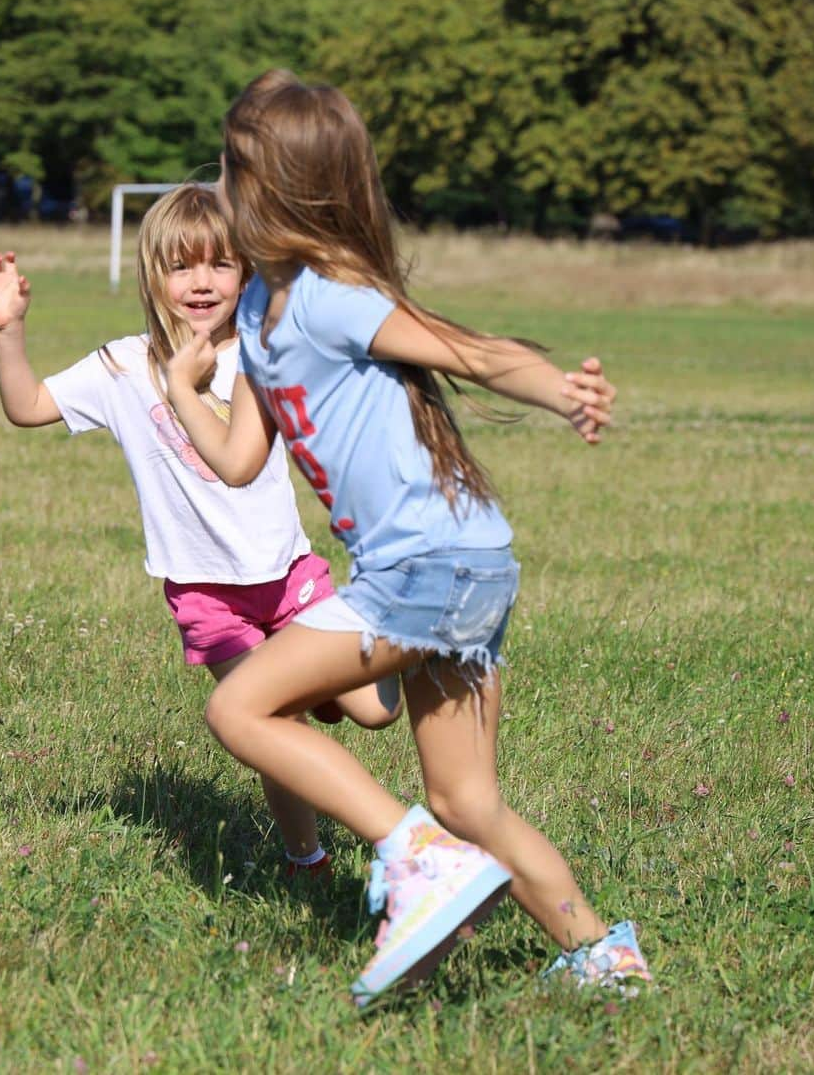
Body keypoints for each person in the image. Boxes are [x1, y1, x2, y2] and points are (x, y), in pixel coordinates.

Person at [165, 70, 652, 1006]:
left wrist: (560, 389)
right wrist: (186, 390)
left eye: (231, 167)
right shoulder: (261, 312)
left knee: (239, 710)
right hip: (460, 567)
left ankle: (414, 858)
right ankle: (604, 961)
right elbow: (237, 459)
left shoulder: (328, 295)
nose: (219, 182)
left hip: (430, 568)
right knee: (469, 801)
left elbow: (464, 348)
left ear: (270, 187)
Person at [0, 185, 400, 885]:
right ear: (152, 275)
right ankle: (309, 860)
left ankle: (346, 673)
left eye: (220, 265)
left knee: (373, 712)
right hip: (210, 597)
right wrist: (8, 329)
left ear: (247, 274)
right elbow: (26, 406)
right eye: (182, 266)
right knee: (274, 732)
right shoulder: (121, 367)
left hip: (289, 576)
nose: (201, 282)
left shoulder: (265, 358)